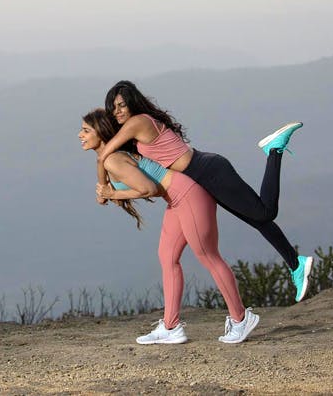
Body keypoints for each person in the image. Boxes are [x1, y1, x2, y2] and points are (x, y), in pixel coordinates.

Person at [96, 80, 313, 302]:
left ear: (132, 103)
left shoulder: (137, 122)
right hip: (203, 174)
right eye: (113, 108)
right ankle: (296, 264)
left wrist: (104, 190)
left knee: (265, 213)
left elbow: (104, 155)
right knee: (258, 220)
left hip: (209, 171)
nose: (118, 111)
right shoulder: (138, 125)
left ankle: (274, 150)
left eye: (121, 105)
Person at [79, 108, 259, 345]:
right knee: (167, 256)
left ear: (100, 132)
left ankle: (240, 318)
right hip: (177, 198)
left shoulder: (113, 160)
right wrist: (106, 191)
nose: (80, 135)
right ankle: (171, 327)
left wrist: (113, 193)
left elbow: (149, 189)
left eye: (85, 130)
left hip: (188, 195)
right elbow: (102, 164)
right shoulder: (109, 157)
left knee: (208, 256)